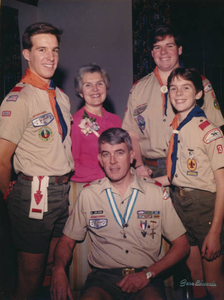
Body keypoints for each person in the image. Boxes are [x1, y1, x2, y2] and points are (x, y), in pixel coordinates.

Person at [50, 127, 189, 300]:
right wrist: (58, 269)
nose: (113, 161)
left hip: (146, 278)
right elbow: (66, 241)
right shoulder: (89, 194)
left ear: (132, 156)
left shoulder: (156, 193)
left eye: (119, 153)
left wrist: (148, 274)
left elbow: (182, 245)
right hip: (102, 280)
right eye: (106, 154)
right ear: (100, 159)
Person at [0, 22, 74, 300]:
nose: (50, 57)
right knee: (29, 277)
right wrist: (11, 196)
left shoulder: (61, 97)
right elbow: (1, 160)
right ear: (26, 54)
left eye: (54, 50)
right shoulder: (19, 99)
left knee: (51, 271)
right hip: (33, 193)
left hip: (60, 192)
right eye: (41, 49)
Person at [155, 67, 224, 300]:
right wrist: (146, 181)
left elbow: (222, 183)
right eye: (173, 88)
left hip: (205, 209)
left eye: (186, 87)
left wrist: (215, 231)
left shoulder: (209, 132)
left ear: (197, 94)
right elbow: (179, 175)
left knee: (213, 284)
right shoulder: (176, 128)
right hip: (181, 204)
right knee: (196, 279)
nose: (178, 93)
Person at [122, 25, 224, 178]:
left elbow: (216, 129)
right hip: (150, 171)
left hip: (191, 170)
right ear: (152, 53)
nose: (163, 52)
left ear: (180, 50)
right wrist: (139, 165)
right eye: (157, 47)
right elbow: (132, 134)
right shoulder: (138, 89)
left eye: (169, 46)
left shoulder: (200, 84)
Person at [69, 63, 121, 289]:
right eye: (88, 85)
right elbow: (72, 164)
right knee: (85, 252)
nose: (95, 89)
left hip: (114, 190)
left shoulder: (115, 120)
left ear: (107, 86)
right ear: (80, 91)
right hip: (84, 191)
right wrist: (106, 174)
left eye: (99, 83)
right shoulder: (74, 122)